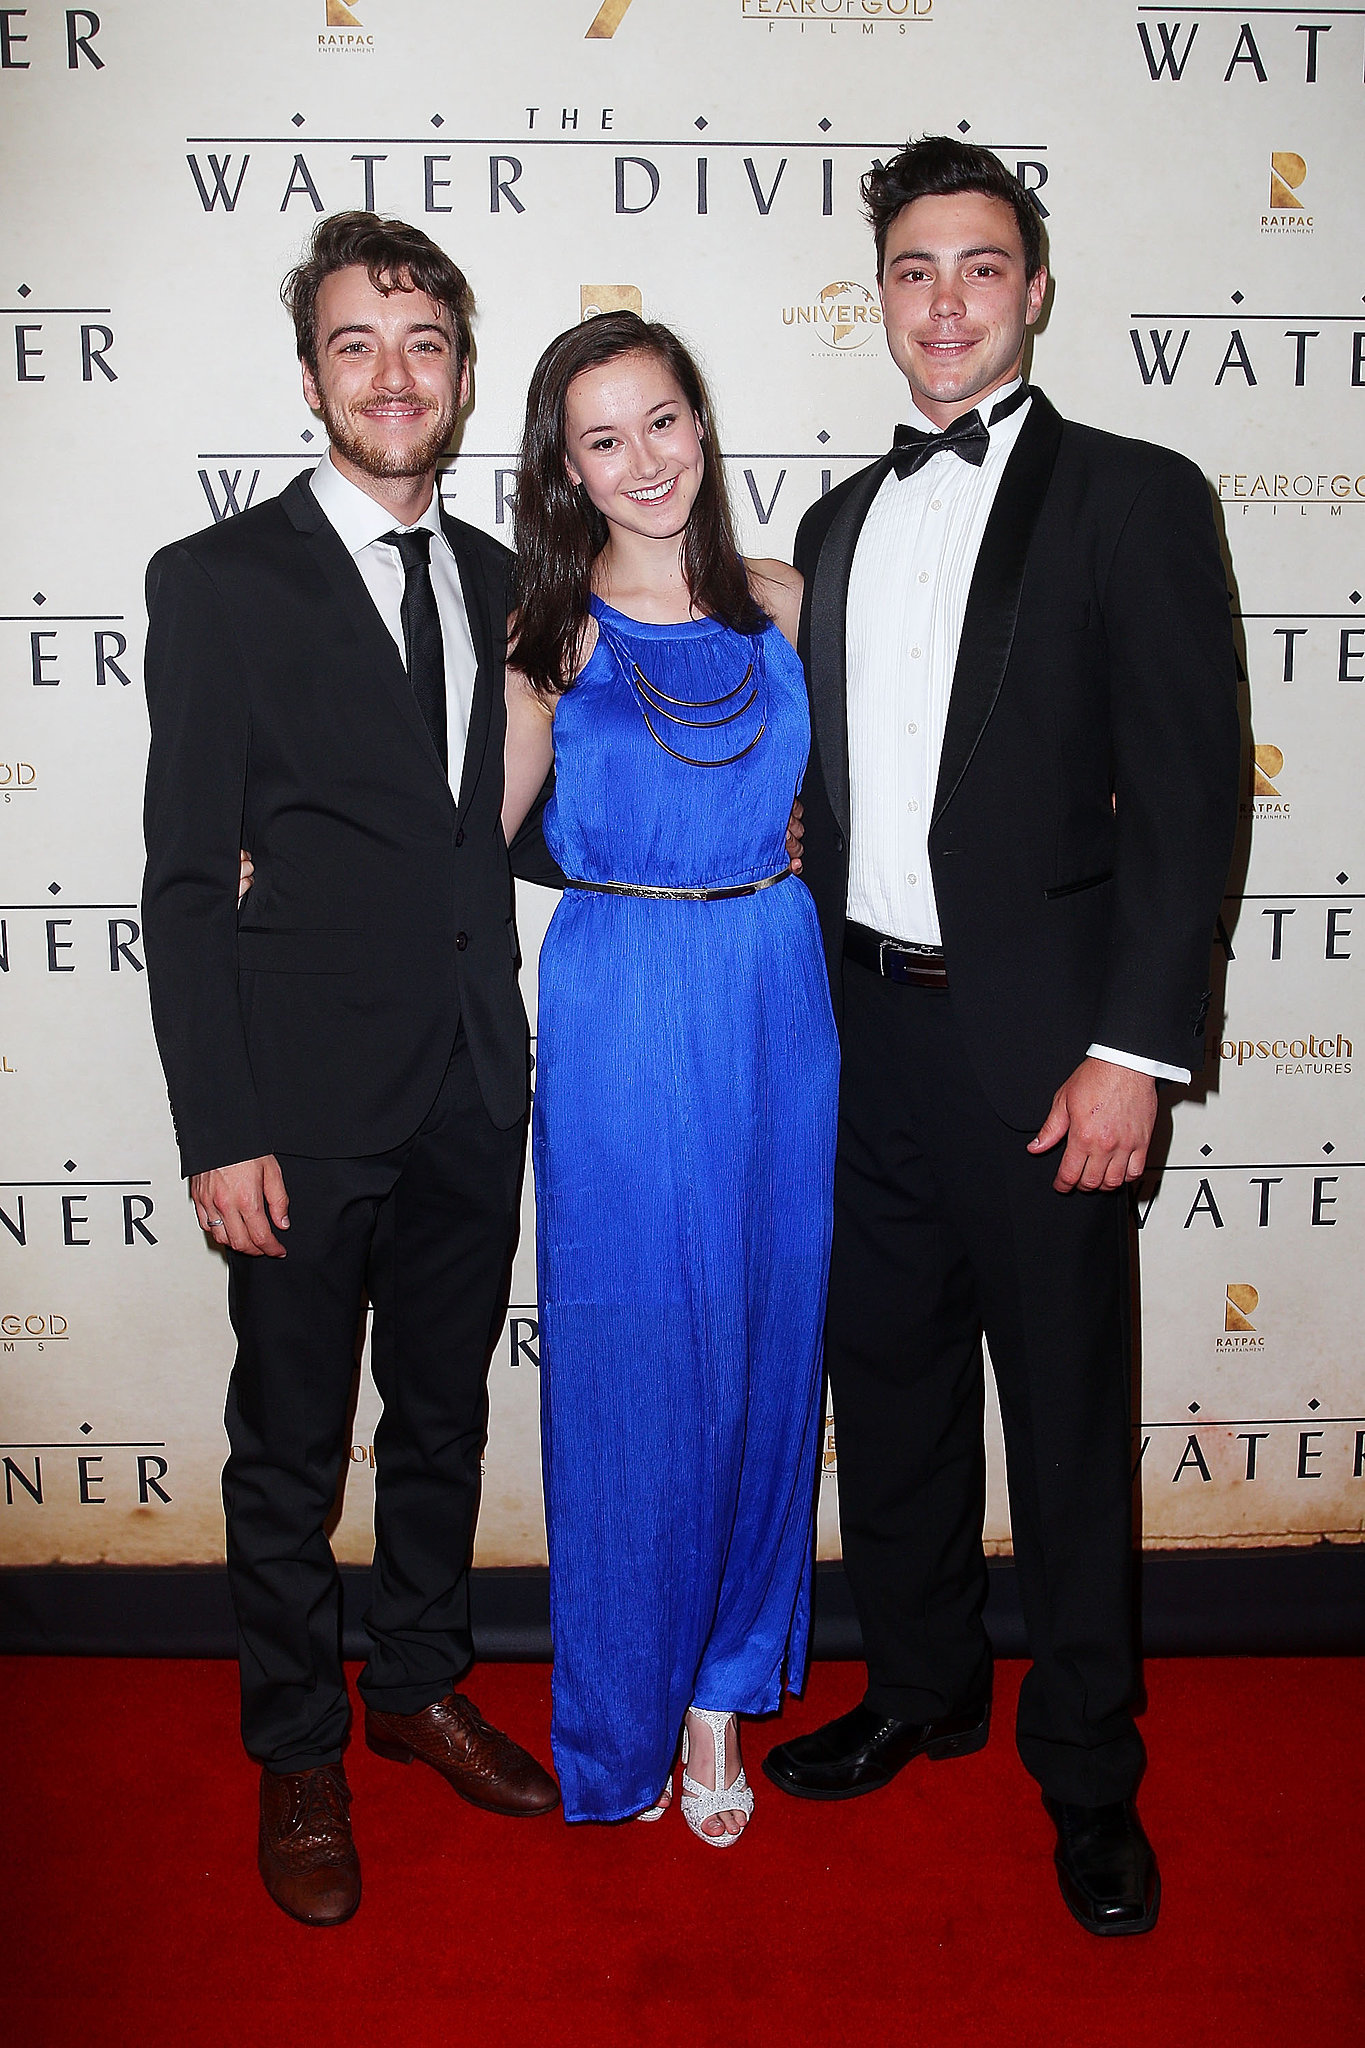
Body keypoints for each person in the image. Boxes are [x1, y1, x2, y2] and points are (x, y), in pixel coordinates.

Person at [761, 139, 1241, 1933]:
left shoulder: (1135, 493)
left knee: (1060, 1429)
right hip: (857, 1032)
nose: (941, 301)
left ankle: (1092, 1781)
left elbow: (1190, 804)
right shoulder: (835, 521)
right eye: (909, 269)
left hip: (1045, 1057)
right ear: (876, 295)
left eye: (975, 266)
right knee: (885, 1399)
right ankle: (918, 1689)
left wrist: (1135, 1050)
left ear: (1032, 288)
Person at [141, 212, 562, 1929]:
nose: (393, 375)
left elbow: (489, 830)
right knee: (288, 1450)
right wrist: (221, 1126)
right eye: (354, 344)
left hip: (473, 1082)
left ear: (460, 372)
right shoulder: (218, 582)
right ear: (308, 371)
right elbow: (181, 880)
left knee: (445, 1422)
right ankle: (298, 1748)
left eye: (424, 344)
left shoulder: (497, 581)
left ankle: (415, 1686)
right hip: (300, 1112)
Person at [500, 313, 840, 1841]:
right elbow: (456, 840)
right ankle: (625, 1716)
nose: (644, 461)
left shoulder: (782, 605)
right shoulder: (550, 634)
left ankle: (720, 1700)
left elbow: (902, 792)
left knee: (770, 1351)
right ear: (565, 470)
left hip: (774, 992)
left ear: (700, 424)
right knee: (635, 1369)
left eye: (662, 421)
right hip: (623, 1006)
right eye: (602, 438)